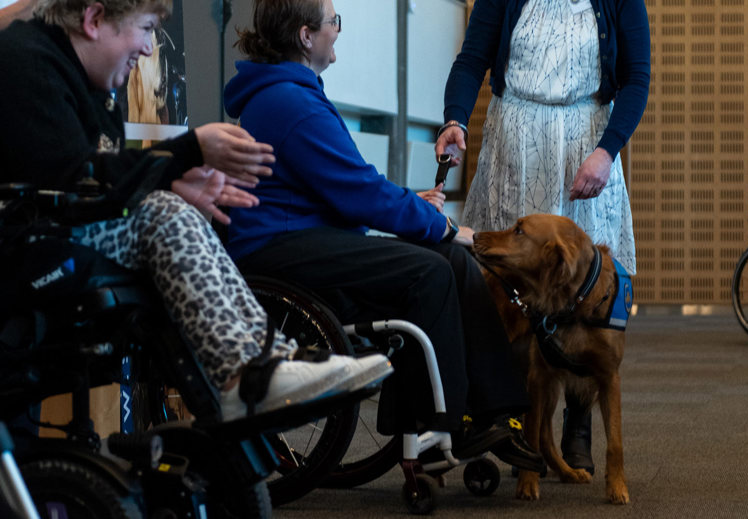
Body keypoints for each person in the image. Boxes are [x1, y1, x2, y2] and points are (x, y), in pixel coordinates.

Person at [0, 0, 392, 422]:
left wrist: (171, 179)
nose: (150, 49)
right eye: (146, 28)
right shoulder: (27, 63)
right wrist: (187, 151)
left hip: (56, 236)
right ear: (94, 20)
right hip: (22, 248)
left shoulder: (93, 85)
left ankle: (268, 360)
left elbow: (94, 180)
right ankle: (245, 374)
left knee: (171, 209)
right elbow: (74, 181)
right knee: (164, 214)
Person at [222, 0, 545, 472]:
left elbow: (346, 186)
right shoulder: (291, 103)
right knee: (431, 267)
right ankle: (446, 421)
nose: (338, 31)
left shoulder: (291, 94)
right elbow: (360, 193)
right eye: (334, 21)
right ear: (306, 37)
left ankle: (493, 412)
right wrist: (447, 226)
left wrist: (419, 209)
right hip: (279, 252)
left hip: (299, 239)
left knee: (449, 260)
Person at [434, 0, 651, 475]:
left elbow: (637, 77)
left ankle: (578, 424)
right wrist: (454, 118)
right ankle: (515, 422)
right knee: (507, 286)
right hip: (516, 142)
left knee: (587, 287)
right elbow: (472, 59)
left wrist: (607, 151)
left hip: (587, 141)